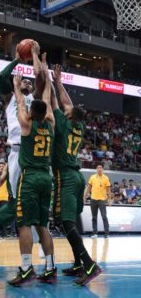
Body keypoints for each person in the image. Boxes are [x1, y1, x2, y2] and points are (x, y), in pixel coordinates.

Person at [0, 41, 45, 266]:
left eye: (28, 81)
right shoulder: (11, 99)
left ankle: (41, 254)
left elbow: (42, 82)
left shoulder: (35, 103)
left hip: (31, 154)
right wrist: (17, 59)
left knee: (28, 203)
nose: (26, 81)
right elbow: (1, 77)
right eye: (23, 80)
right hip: (15, 154)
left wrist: (35, 60)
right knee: (0, 218)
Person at [51, 64, 101, 286]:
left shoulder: (62, 123)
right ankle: (79, 263)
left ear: (69, 116)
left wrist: (50, 80)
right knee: (69, 222)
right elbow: (68, 104)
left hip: (67, 177)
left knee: (65, 221)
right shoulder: (78, 125)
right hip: (78, 176)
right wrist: (60, 81)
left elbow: (55, 102)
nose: (65, 110)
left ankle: (89, 264)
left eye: (67, 111)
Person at [8, 65, 56, 286]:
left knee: (24, 224)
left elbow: (19, 103)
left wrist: (17, 87)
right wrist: (46, 79)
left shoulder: (26, 125)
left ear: (31, 113)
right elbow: (45, 100)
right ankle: (50, 267)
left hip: (29, 177)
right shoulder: (51, 124)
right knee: (43, 225)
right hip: (46, 177)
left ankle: (26, 269)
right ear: (45, 112)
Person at [84, 164, 111, 238]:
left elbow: (108, 190)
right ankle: (95, 233)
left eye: (101, 168)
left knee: (104, 216)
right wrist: (84, 196)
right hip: (93, 199)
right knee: (94, 217)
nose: (99, 169)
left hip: (102, 200)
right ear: (96, 169)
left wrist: (109, 199)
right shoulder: (92, 177)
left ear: (103, 169)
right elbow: (88, 188)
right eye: (98, 168)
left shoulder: (106, 178)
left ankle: (107, 233)